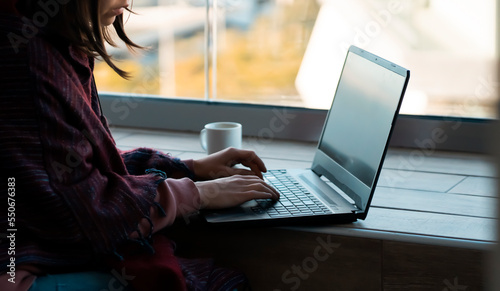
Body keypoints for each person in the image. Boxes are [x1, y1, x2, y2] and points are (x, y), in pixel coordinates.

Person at [0, 0, 280, 290]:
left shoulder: (53, 43)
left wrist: (188, 168)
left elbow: (75, 166)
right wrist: (196, 194)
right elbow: (81, 216)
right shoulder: (22, 58)